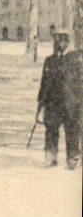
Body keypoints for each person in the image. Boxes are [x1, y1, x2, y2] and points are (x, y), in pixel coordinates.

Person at [37, 29, 82, 169]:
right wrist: (41, 103)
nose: (59, 43)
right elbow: (44, 83)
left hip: (72, 103)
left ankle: (72, 158)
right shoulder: (50, 61)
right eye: (57, 40)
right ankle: (50, 156)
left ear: (68, 42)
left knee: (72, 130)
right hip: (53, 103)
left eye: (63, 40)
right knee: (51, 129)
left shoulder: (76, 60)